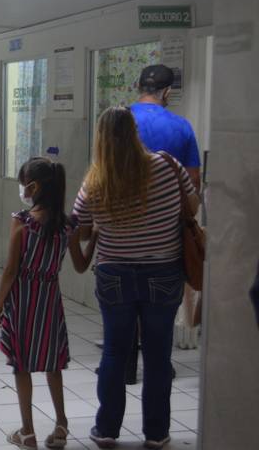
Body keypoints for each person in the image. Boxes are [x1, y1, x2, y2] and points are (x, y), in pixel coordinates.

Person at [72, 107, 199, 450]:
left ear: (100, 138)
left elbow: (81, 230)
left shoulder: (95, 180)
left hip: (114, 274)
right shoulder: (167, 166)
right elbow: (192, 206)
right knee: (158, 356)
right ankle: (156, 434)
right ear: (134, 131)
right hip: (163, 272)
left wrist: (104, 225)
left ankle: (106, 430)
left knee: (115, 352)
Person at [0, 157, 96, 450]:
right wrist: (95, 237)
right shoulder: (68, 227)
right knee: (53, 365)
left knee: (21, 365)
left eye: (23, 183)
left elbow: (11, 270)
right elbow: (81, 265)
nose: (22, 189)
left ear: (34, 187)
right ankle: (61, 425)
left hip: (23, 302)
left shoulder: (22, 222)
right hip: (50, 301)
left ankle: (27, 432)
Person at [126, 64, 203, 383]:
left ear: (138, 86)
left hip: (123, 229)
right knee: (160, 302)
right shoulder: (181, 127)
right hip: (166, 234)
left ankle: (126, 365)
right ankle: (160, 364)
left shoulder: (119, 120)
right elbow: (194, 181)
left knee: (124, 300)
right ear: (168, 91)